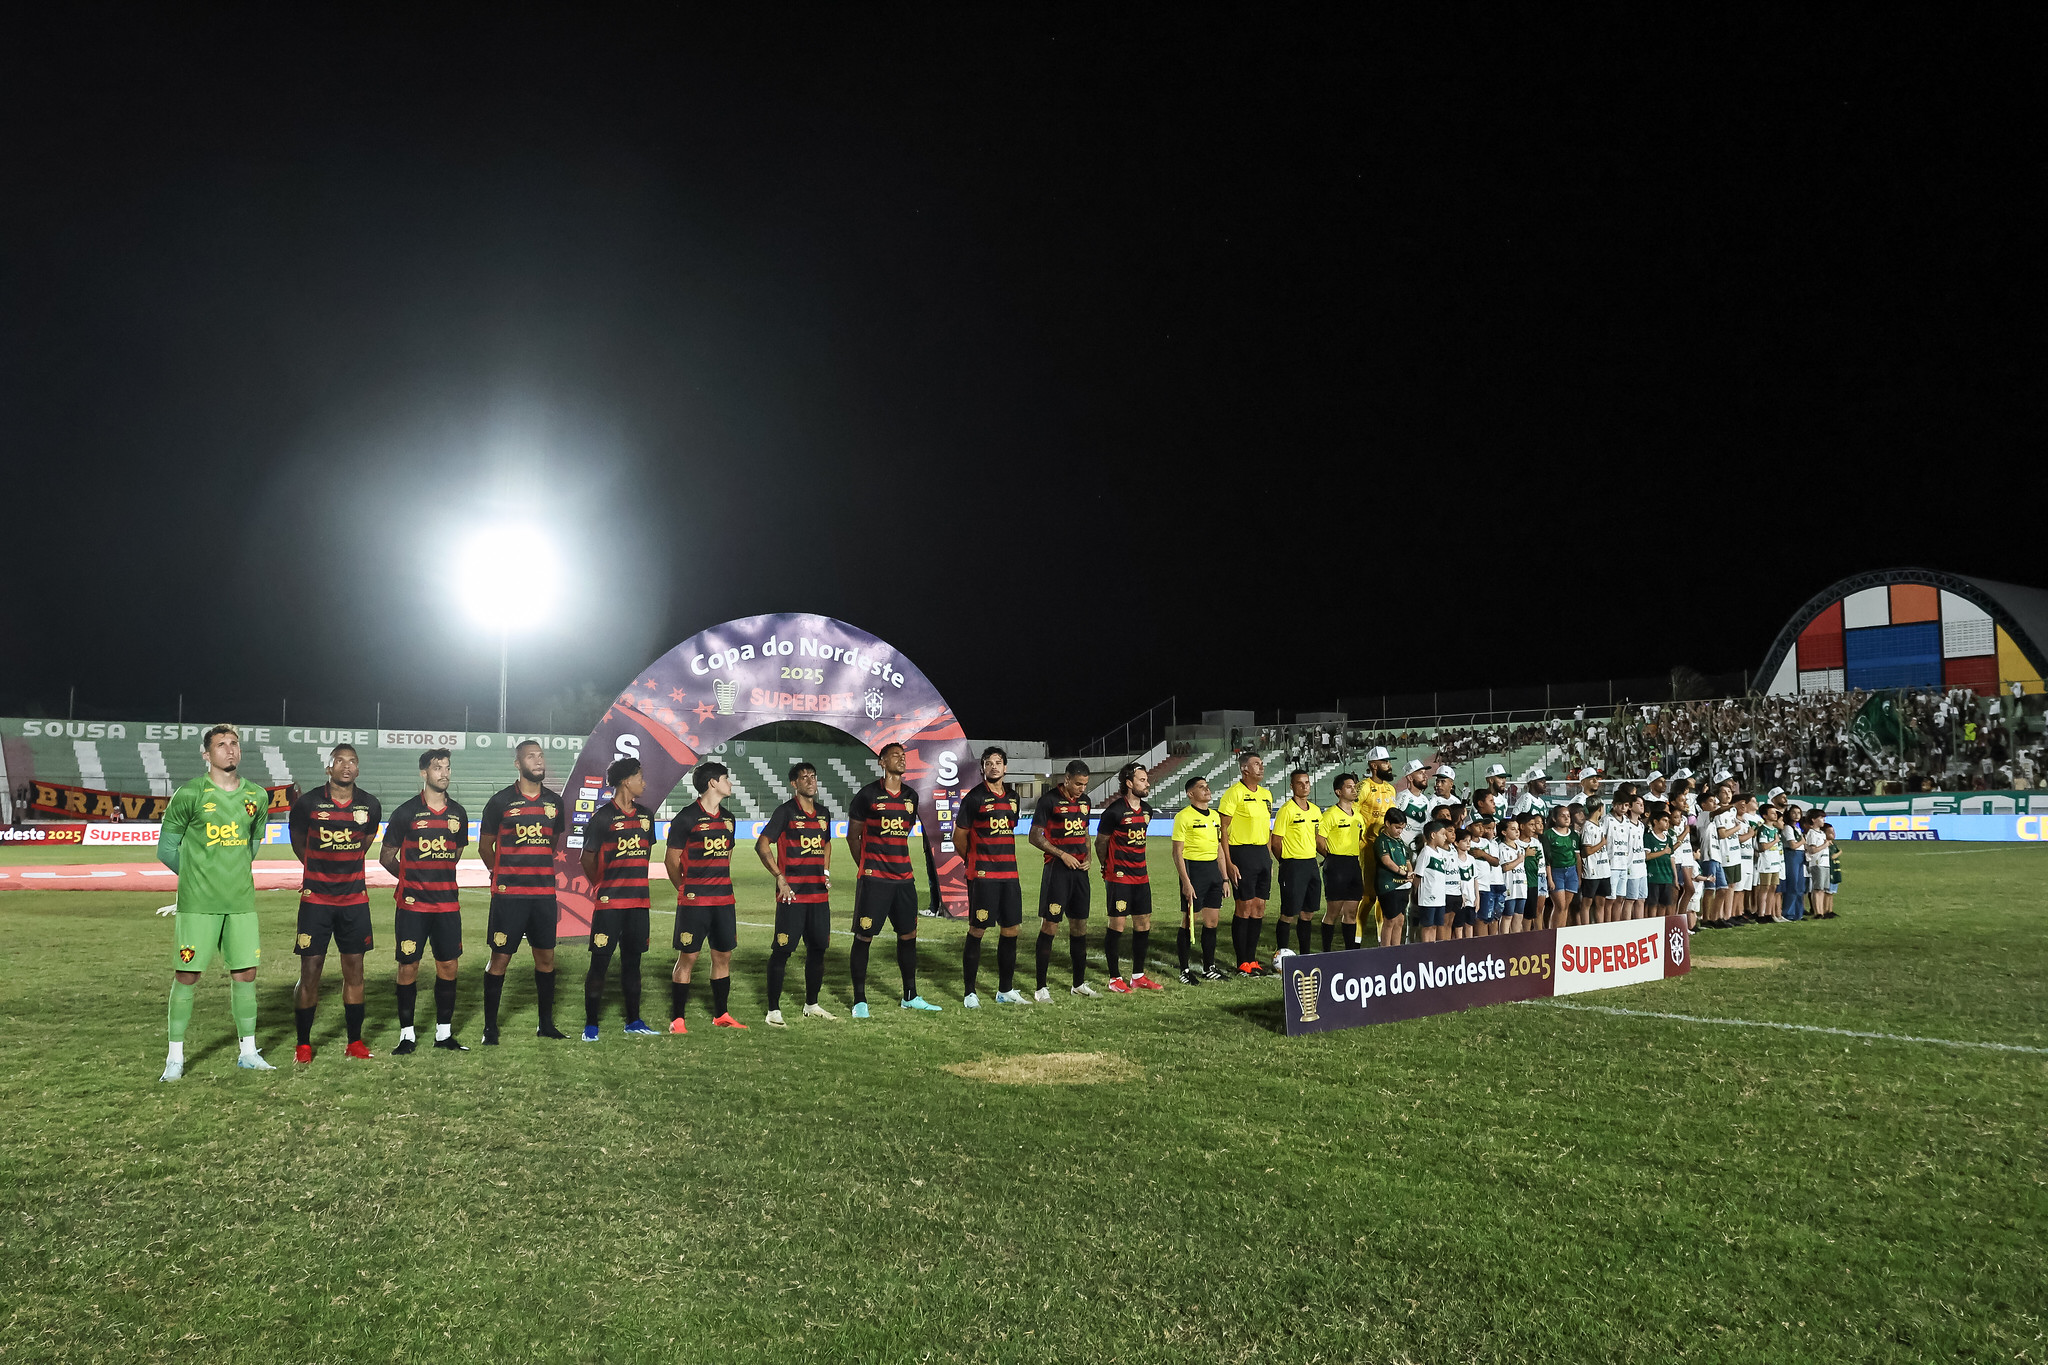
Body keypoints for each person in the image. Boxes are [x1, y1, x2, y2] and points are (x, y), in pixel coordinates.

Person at [157, 724, 275, 1079]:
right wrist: (196, 880)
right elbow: (165, 849)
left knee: (246, 974)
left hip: (240, 902)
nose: (230, 750)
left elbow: (252, 846)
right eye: (221, 745)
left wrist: (230, 875)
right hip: (198, 905)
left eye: (234, 744)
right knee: (188, 975)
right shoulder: (190, 793)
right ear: (206, 754)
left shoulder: (256, 795)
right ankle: (175, 1059)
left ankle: (248, 1052)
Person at [288, 742, 383, 1063]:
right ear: (328, 767)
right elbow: (299, 845)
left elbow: (364, 843)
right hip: (316, 900)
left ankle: (354, 1042)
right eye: (339, 761)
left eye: (352, 761)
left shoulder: (370, 805)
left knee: (355, 969)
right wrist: (320, 871)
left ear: (358, 768)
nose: (346, 766)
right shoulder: (308, 803)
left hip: (354, 901)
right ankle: (303, 1043)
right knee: (311, 968)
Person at [478, 740, 568, 1044]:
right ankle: (490, 1027)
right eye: (531, 756)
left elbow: (553, 842)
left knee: (546, 958)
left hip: (543, 894)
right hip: (509, 896)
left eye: (541, 755)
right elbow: (484, 846)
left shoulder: (555, 803)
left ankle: (546, 1024)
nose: (538, 760)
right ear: (518, 764)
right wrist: (501, 875)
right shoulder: (500, 801)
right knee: (500, 958)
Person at [380, 749, 471, 1054]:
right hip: (412, 907)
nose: (444, 773)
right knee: (408, 968)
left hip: (447, 905)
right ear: (424, 773)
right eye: (437, 768)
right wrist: (409, 878)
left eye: (447, 768)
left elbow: (454, 855)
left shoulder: (458, 813)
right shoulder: (405, 812)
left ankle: (443, 1034)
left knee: (448, 966)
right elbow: (386, 856)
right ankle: (407, 1035)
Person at [849, 742, 940, 1015]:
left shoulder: (911, 797)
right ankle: (860, 1000)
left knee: (908, 935)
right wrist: (867, 866)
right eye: (895, 755)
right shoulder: (867, 796)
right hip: (874, 880)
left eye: (904, 755)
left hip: (904, 879)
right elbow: (853, 836)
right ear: (882, 761)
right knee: (864, 936)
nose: (902, 759)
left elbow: (906, 831)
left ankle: (910, 995)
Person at [578, 756, 658, 1039]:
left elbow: (646, 853)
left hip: (638, 903)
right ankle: (591, 1024)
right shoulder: (602, 817)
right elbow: (586, 858)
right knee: (600, 962)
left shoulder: (647, 816)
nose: (643, 783)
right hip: (610, 905)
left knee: (633, 963)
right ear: (627, 781)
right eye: (640, 777)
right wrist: (602, 884)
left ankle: (634, 1021)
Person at [666, 761, 748, 1031]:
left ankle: (721, 1015)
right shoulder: (686, 818)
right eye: (726, 778)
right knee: (688, 958)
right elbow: (671, 861)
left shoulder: (729, 818)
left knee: (723, 957)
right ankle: (678, 1019)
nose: (730, 783)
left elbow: (728, 855)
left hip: (724, 901)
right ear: (713, 782)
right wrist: (685, 888)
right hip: (694, 903)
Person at [756, 761, 837, 1024]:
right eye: (804, 778)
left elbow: (826, 845)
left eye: (813, 776)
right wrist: (780, 877)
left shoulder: (824, 814)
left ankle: (812, 1005)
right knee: (782, 951)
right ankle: (773, 1011)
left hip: (818, 897)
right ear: (794, 784)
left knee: (817, 951)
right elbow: (762, 844)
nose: (810, 781)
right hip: (793, 896)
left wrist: (825, 873)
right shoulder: (786, 812)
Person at [954, 747, 1028, 1008]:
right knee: (978, 929)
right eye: (989, 763)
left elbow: (1009, 829)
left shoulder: (1013, 797)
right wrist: (975, 861)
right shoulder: (974, 798)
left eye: (998, 762)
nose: (994, 767)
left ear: (1005, 768)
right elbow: (959, 837)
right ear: (982, 768)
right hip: (983, 875)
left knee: (1011, 930)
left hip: (1009, 874)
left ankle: (1005, 990)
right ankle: (970, 992)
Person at [1029, 759, 1096, 999]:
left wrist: (1088, 856)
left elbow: (1085, 832)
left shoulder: (1085, 802)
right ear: (1066, 779)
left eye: (1085, 785)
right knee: (1050, 926)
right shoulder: (1048, 801)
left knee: (1080, 927)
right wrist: (1062, 854)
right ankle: (1040, 988)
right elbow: (1034, 836)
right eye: (1078, 784)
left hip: (1080, 873)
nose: (1082, 789)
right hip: (1057, 871)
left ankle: (1078, 984)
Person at [1097, 761, 1164, 992]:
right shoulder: (1114, 811)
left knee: (1143, 924)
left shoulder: (1147, 811)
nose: (1147, 783)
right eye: (1142, 780)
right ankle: (1115, 978)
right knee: (1117, 925)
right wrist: (1106, 867)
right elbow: (1101, 842)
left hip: (1141, 876)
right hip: (1119, 877)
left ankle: (1138, 976)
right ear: (1129, 783)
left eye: (1146, 779)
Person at [1218, 751, 1275, 976]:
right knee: (1244, 906)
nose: (1261, 767)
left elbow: (1267, 829)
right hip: (1241, 853)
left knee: (1259, 907)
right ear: (1245, 769)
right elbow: (1223, 830)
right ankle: (1242, 961)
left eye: (1261, 764)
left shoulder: (1266, 795)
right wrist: (1229, 862)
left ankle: (1252, 960)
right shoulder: (1234, 794)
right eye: (1256, 764)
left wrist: (1268, 858)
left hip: (1261, 853)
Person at [1172, 776, 1226, 982]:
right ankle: (1184, 970)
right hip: (1193, 871)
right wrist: (1186, 881)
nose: (1207, 789)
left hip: (1213, 871)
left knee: (1212, 921)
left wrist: (1224, 878)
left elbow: (1219, 848)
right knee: (1189, 920)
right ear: (1190, 793)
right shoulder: (1183, 817)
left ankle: (1208, 967)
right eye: (1201, 787)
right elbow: (1177, 853)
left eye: (1207, 786)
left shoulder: (1214, 816)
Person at [1270, 769, 1321, 956]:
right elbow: (1276, 842)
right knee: (1289, 913)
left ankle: (1305, 954)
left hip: (1311, 864)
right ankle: (1282, 953)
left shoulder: (1315, 811)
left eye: (1307, 782)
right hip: (1293, 866)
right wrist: (1285, 863)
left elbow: (1318, 838)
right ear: (1292, 786)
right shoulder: (1286, 810)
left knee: (1308, 913)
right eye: (1300, 783)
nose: (1304, 786)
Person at [1316, 773, 1366, 950]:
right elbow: (1319, 840)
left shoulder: (1358, 816)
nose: (1354, 790)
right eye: (1349, 787)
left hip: (1353, 864)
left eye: (1354, 786)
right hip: (1336, 865)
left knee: (1351, 912)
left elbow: (1361, 838)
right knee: (1333, 912)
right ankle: (1326, 952)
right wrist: (1331, 857)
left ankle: (1350, 952)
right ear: (1338, 791)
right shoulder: (1330, 815)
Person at [1373, 808, 1412, 946]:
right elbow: (1386, 861)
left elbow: (1407, 861)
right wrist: (1403, 873)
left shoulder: (1400, 841)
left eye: (1402, 828)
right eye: (1397, 827)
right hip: (1389, 885)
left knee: (1400, 919)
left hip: (1403, 885)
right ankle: (1385, 950)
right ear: (1387, 823)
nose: (1399, 831)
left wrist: (1410, 874)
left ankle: (1396, 951)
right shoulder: (1382, 841)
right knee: (1390, 919)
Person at [1539, 804, 1581, 930]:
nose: (1567, 818)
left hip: (1571, 871)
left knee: (1566, 906)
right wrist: (1550, 878)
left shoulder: (1574, 835)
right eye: (1563, 816)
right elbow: (1547, 859)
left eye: (1568, 816)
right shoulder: (1548, 835)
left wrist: (1579, 876)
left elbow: (1577, 857)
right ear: (1554, 819)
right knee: (1560, 905)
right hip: (1556, 872)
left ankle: (1561, 931)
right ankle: (1554, 932)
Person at [1412, 820, 1454, 943]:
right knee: (1427, 926)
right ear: (1433, 835)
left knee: (1436, 925)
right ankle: (1426, 948)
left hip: (1440, 898)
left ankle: (1433, 948)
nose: (1445, 837)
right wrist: (1415, 895)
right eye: (1443, 834)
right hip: (1428, 899)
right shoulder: (1426, 853)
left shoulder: (1440, 853)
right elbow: (1418, 876)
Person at [1644, 803, 1679, 919]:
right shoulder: (1648, 837)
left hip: (1667, 877)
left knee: (1664, 905)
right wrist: (1663, 852)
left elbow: (1671, 859)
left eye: (1668, 821)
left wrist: (1675, 878)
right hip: (1653, 877)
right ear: (1655, 821)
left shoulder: (1668, 838)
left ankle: (1661, 928)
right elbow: (1647, 856)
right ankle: (1652, 929)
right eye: (1664, 820)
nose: (1667, 824)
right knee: (1652, 905)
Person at [1579, 799, 1610, 925]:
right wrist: (1602, 843)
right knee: (1587, 902)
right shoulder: (1587, 827)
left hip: (1603, 869)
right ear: (1600, 808)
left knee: (1601, 901)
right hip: (1591, 871)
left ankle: (1600, 928)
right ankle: (1586, 928)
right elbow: (1586, 851)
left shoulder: (1601, 825)